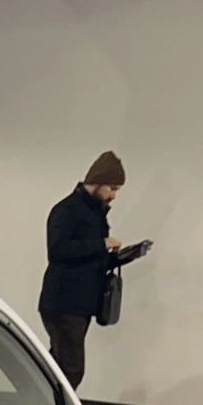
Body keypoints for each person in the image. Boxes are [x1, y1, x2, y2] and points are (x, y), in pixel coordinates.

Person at [39, 151, 127, 388]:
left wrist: (122, 257)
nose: (114, 195)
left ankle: (43, 404)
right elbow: (57, 250)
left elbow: (90, 258)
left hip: (79, 304)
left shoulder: (95, 213)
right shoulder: (66, 210)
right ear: (98, 181)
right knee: (71, 370)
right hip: (64, 302)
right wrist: (101, 244)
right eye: (112, 188)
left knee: (58, 366)